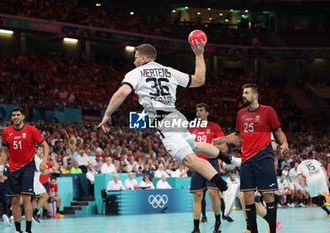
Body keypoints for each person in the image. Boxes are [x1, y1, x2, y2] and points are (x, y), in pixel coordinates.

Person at [98, 43, 240, 196]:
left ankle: (226, 188)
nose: (134, 62)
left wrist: (107, 114)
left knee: (189, 160)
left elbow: (122, 92)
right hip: (176, 115)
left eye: (136, 58)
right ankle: (231, 160)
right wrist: (199, 55)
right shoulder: (169, 71)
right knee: (195, 147)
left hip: (163, 121)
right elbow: (199, 80)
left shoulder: (136, 72)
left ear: (143, 58)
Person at [214, 83, 288, 233]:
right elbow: (237, 135)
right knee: (247, 197)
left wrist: (284, 143)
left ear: (255, 95)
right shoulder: (241, 113)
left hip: (264, 158)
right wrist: (220, 139)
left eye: (246, 93)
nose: (243, 95)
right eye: (243, 92)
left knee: (268, 196)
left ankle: (272, 230)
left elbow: (278, 132)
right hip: (247, 161)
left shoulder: (268, 111)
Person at [0, 107, 49, 233]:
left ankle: (28, 229)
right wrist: (1, 169)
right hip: (13, 169)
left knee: (26, 198)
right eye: (13, 115)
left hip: (28, 168)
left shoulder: (31, 130)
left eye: (18, 115)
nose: (15, 117)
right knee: (15, 200)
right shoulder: (6, 131)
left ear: (23, 117)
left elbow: (44, 145)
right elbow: (4, 151)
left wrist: (44, 161)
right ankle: (18, 230)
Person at [188, 103, 228, 233]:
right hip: (196, 164)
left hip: (211, 163)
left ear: (207, 113)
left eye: (201, 110)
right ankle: (196, 228)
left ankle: (217, 223)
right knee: (197, 196)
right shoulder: (191, 128)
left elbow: (224, 147)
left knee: (212, 193)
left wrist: (214, 145)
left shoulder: (215, 127)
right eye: (197, 111)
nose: (198, 113)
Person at [32, 146, 58, 222]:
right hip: (31, 180)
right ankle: (10, 213)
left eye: (42, 150)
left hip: (36, 181)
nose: (41, 151)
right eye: (39, 149)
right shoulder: (34, 158)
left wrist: (51, 170)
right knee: (23, 199)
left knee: (44, 196)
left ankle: (34, 214)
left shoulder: (42, 160)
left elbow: (43, 172)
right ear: (36, 150)